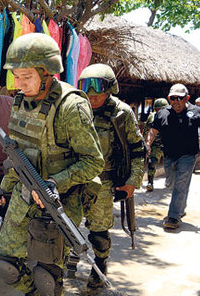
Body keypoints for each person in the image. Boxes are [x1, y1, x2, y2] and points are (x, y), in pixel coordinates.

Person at [0, 33, 104, 296]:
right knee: (4, 264)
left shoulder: (70, 106)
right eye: (15, 77)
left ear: (47, 73)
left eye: (26, 77)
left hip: (60, 200)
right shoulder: (20, 102)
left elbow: (93, 162)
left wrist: (56, 182)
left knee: (48, 277)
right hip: (24, 194)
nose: (19, 84)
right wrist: (6, 189)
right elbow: (16, 155)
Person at [77, 64, 145, 288]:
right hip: (75, 178)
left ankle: (99, 265)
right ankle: (67, 260)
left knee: (98, 231)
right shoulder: (76, 108)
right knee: (65, 225)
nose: (92, 97)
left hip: (103, 182)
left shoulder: (121, 113)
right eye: (88, 92)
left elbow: (137, 149)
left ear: (110, 89)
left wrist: (133, 181)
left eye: (98, 93)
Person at [146, 83, 200, 229]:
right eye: (173, 98)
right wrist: (147, 144)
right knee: (172, 183)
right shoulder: (162, 113)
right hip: (169, 155)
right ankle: (180, 208)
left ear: (187, 98)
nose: (176, 101)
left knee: (181, 183)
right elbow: (153, 130)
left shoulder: (196, 112)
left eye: (179, 98)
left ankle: (173, 217)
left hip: (188, 155)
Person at [144, 98, 169, 191]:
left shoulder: (170, 116)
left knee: (171, 164)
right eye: (158, 109)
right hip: (155, 145)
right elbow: (147, 131)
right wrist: (146, 144)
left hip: (167, 144)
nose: (160, 111)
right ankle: (150, 182)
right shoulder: (152, 117)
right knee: (152, 163)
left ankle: (170, 181)